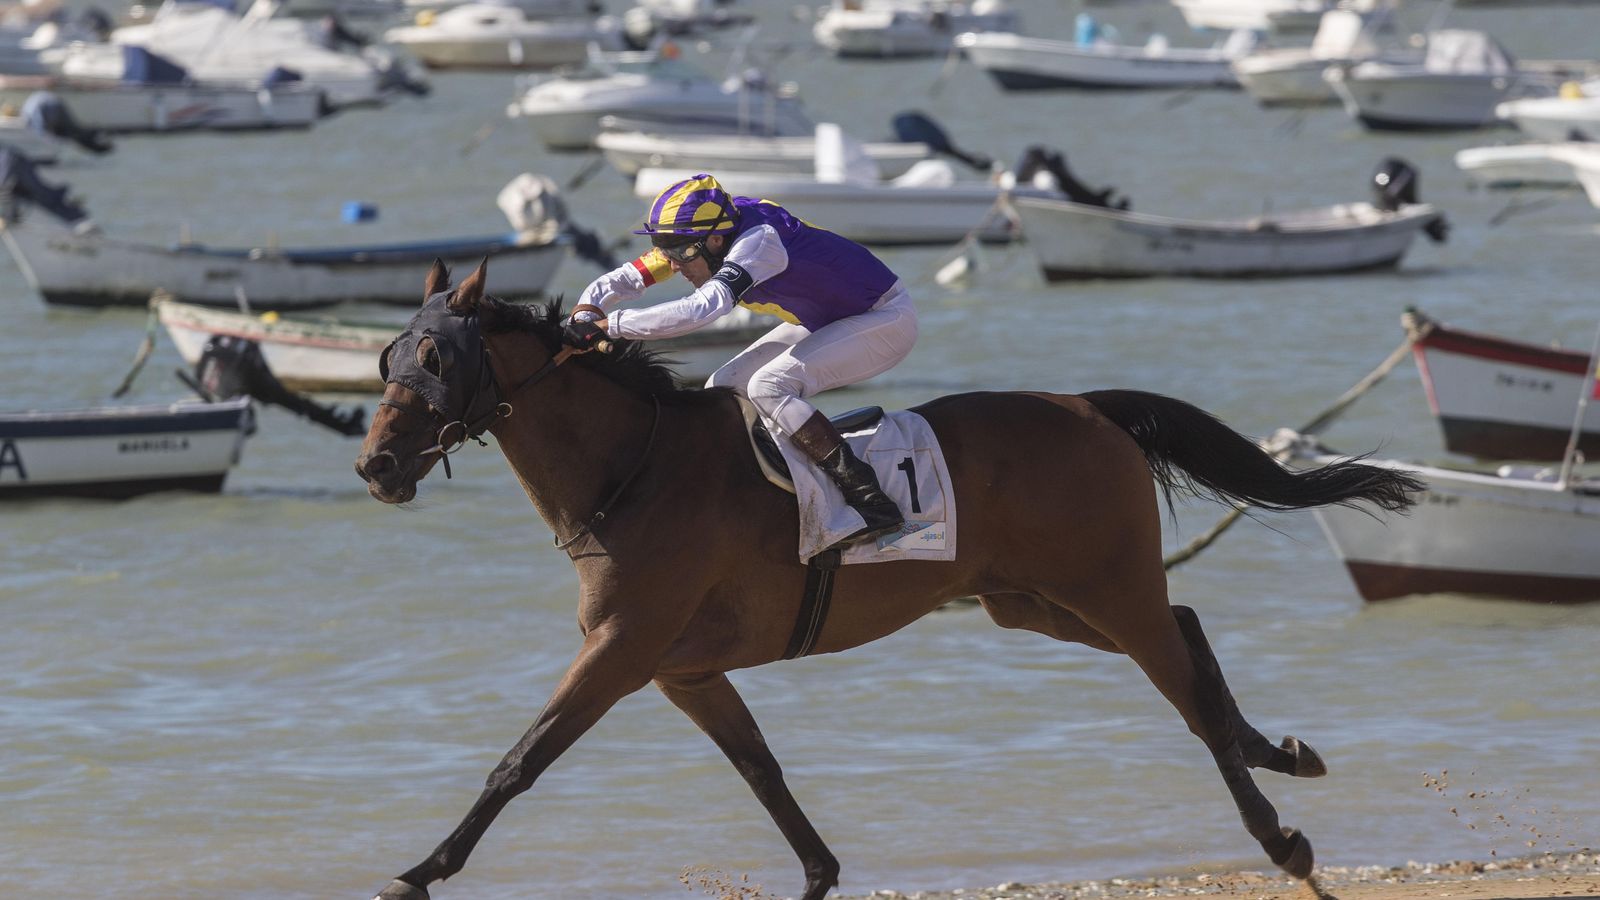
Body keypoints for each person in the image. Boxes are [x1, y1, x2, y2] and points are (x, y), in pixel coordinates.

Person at [565, 173, 917, 546]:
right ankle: (767, 492)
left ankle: (871, 502)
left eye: (681, 255)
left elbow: (702, 310)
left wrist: (612, 325)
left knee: (768, 386)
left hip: (884, 319)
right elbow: (627, 279)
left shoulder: (757, 243)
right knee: (723, 389)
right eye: (667, 253)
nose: (675, 265)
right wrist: (589, 308)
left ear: (716, 240)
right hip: (829, 320)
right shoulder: (701, 235)